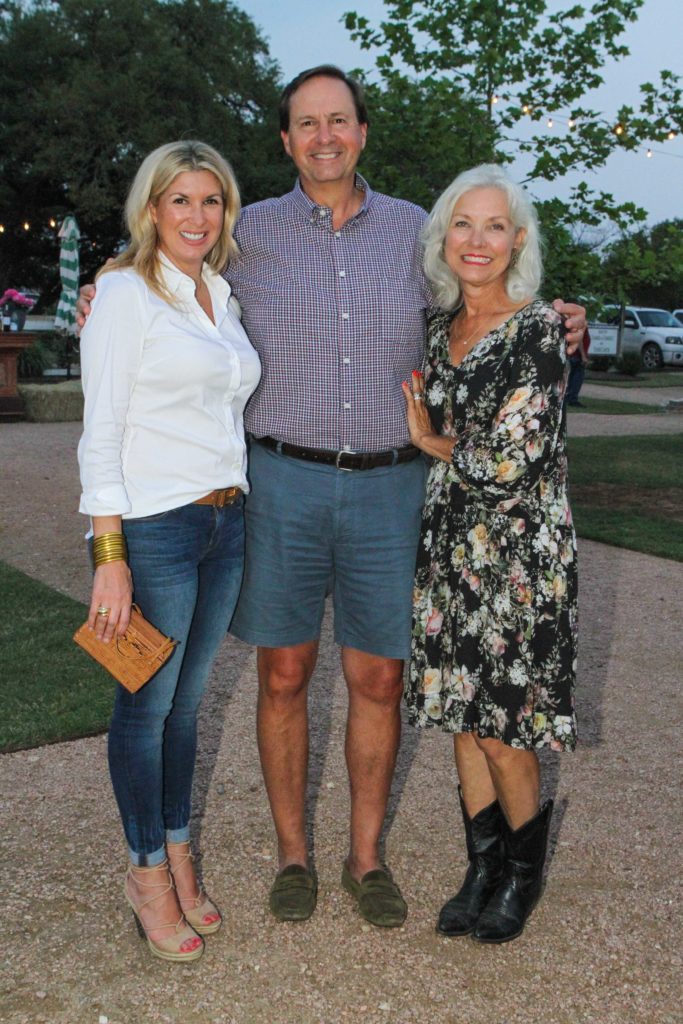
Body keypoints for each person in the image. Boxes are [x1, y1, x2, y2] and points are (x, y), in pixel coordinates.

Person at [78, 66, 587, 930]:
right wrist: (104, 287)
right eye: (305, 123)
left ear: (360, 132)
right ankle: (292, 857)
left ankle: (365, 858)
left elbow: (482, 294)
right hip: (276, 481)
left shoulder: (414, 233)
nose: (323, 136)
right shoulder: (249, 234)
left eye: (338, 121)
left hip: (393, 485)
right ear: (285, 140)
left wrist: (560, 317)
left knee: (379, 678)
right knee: (282, 673)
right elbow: (168, 263)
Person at [77, 140, 260, 962]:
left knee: (186, 708)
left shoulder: (218, 292)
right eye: (179, 200)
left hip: (226, 522)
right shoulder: (123, 293)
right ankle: (146, 871)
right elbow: (102, 430)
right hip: (153, 529)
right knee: (144, 708)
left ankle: (179, 853)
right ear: (151, 209)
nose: (196, 216)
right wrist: (106, 552)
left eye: (210, 201)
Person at [402, 163, 577, 944]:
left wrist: (427, 440)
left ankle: (521, 877)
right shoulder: (441, 329)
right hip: (449, 549)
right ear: (445, 236)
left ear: (518, 241)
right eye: (463, 224)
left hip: (516, 559)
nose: (477, 240)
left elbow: (512, 464)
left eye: (494, 226)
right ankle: (481, 865)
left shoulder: (539, 330)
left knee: (504, 727)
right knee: (459, 718)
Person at [565, 325, 591, 406]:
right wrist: (583, 355)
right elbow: (579, 340)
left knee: (572, 377)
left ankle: (568, 397)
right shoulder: (580, 326)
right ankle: (572, 398)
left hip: (574, 355)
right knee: (577, 378)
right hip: (577, 356)